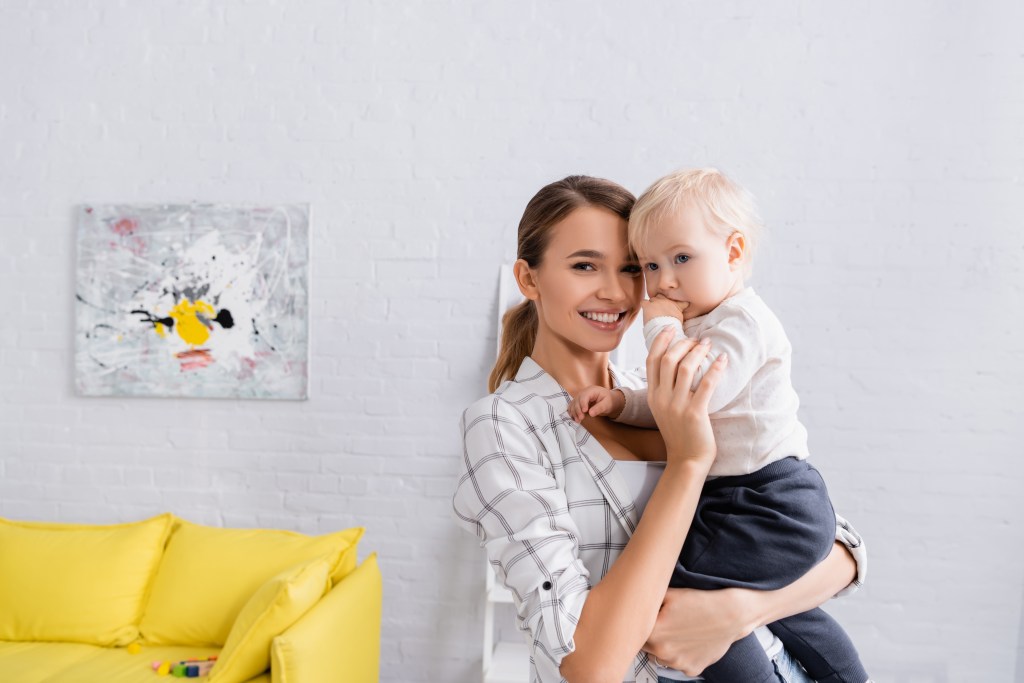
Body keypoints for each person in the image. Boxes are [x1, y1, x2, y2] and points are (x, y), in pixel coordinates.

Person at [452, 175, 867, 683]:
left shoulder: (657, 392)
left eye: (631, 269)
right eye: (585, 266)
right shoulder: (504, 424)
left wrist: (737, 614)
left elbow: (843, 550)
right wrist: (689, 464)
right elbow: (589, 667)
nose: (617, 290)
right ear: (528, 278)